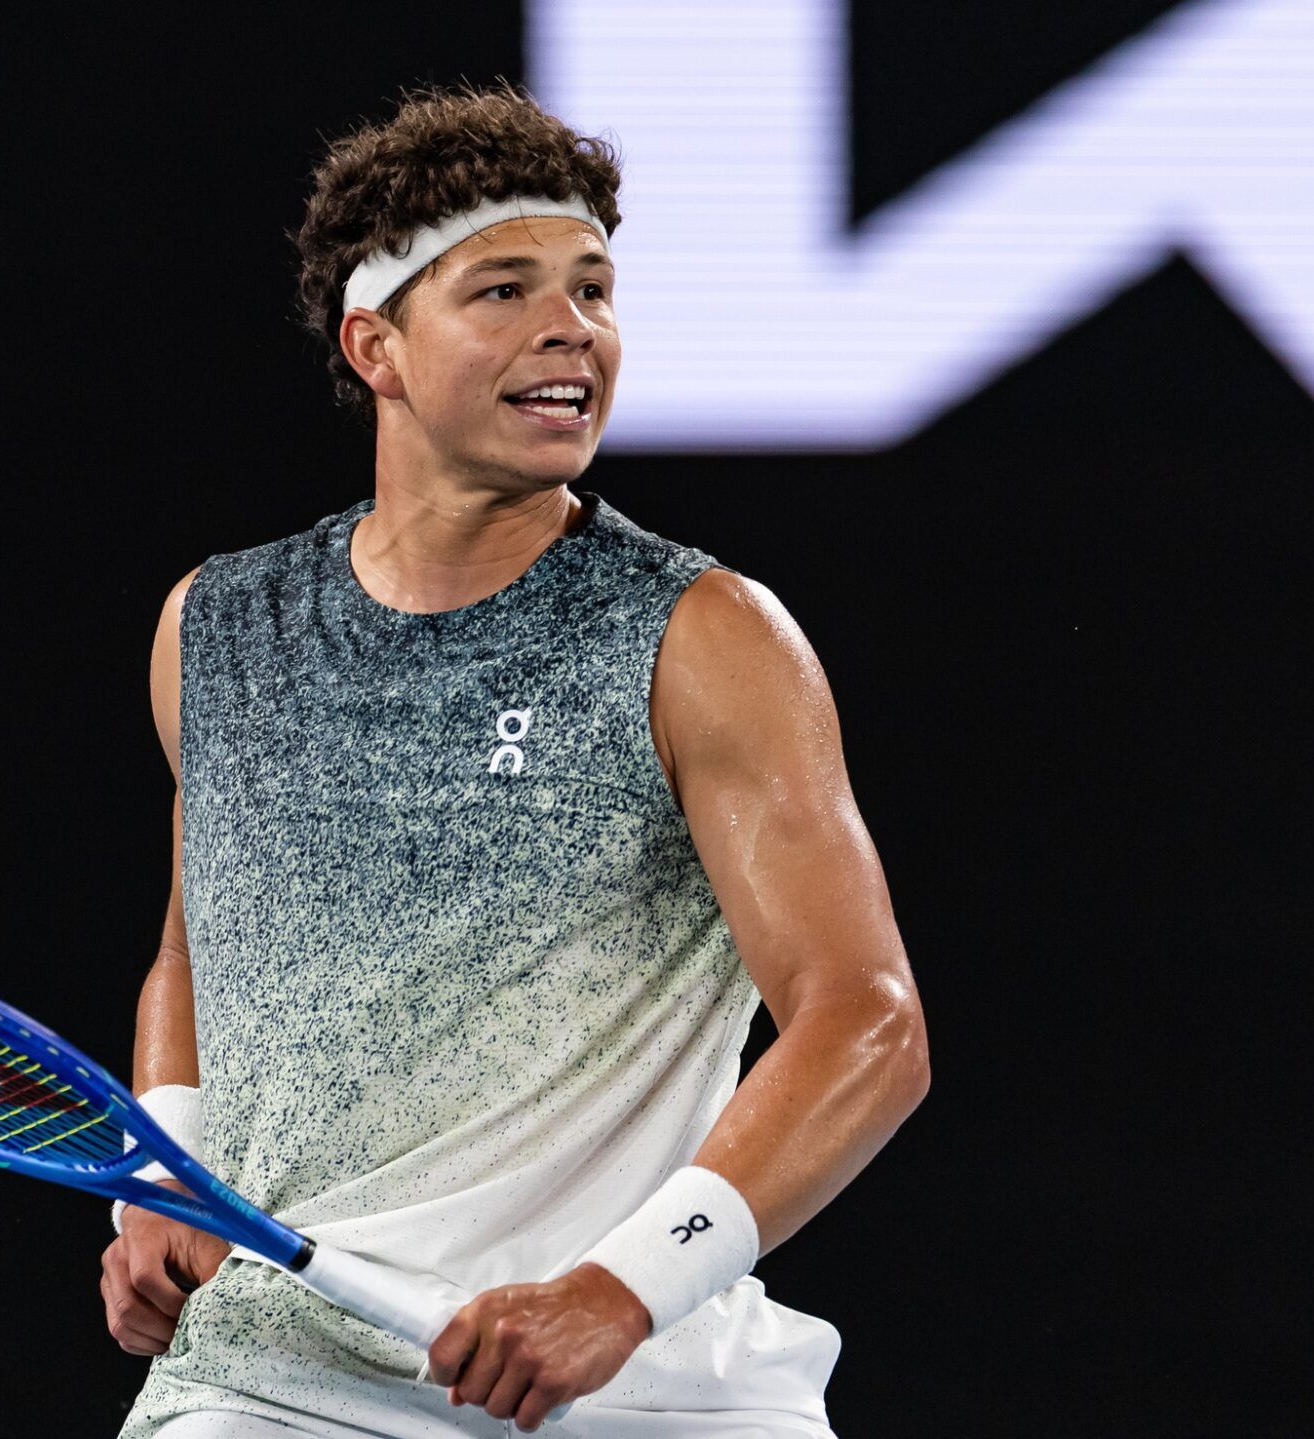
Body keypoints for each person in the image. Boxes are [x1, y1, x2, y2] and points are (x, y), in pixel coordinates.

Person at [100, 80, 930, 1438]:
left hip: (650, 1389)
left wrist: (620, 1290)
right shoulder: (220, 627)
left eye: (593, 290)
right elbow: (201, 952)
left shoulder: (705, 636)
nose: (572, 329)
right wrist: (167, 1172)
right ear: (377, 345)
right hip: (278, 1386)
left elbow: (867, 1022)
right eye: (504, 291)